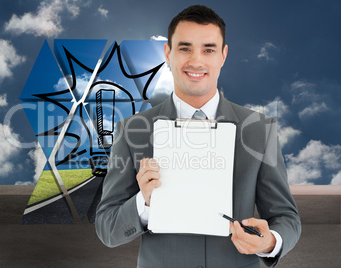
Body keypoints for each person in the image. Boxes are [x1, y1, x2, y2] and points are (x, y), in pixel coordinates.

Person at [95, 5, 301, 268]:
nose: (196, 61)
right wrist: (143, 203)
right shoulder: (132, 130)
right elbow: (106, 228)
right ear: (168, 53)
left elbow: (286, 216)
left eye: (208, 49)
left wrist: (271, 241)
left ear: (223, 55)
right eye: (185, 48)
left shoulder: (259, 130)